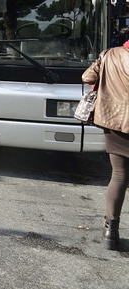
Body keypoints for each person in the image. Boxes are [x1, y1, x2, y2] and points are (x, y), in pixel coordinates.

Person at [82, 46, 129, 250]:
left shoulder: (109, 54)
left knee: (119, 175)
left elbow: (87, 77)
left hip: (115, 121)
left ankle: (111, 230)